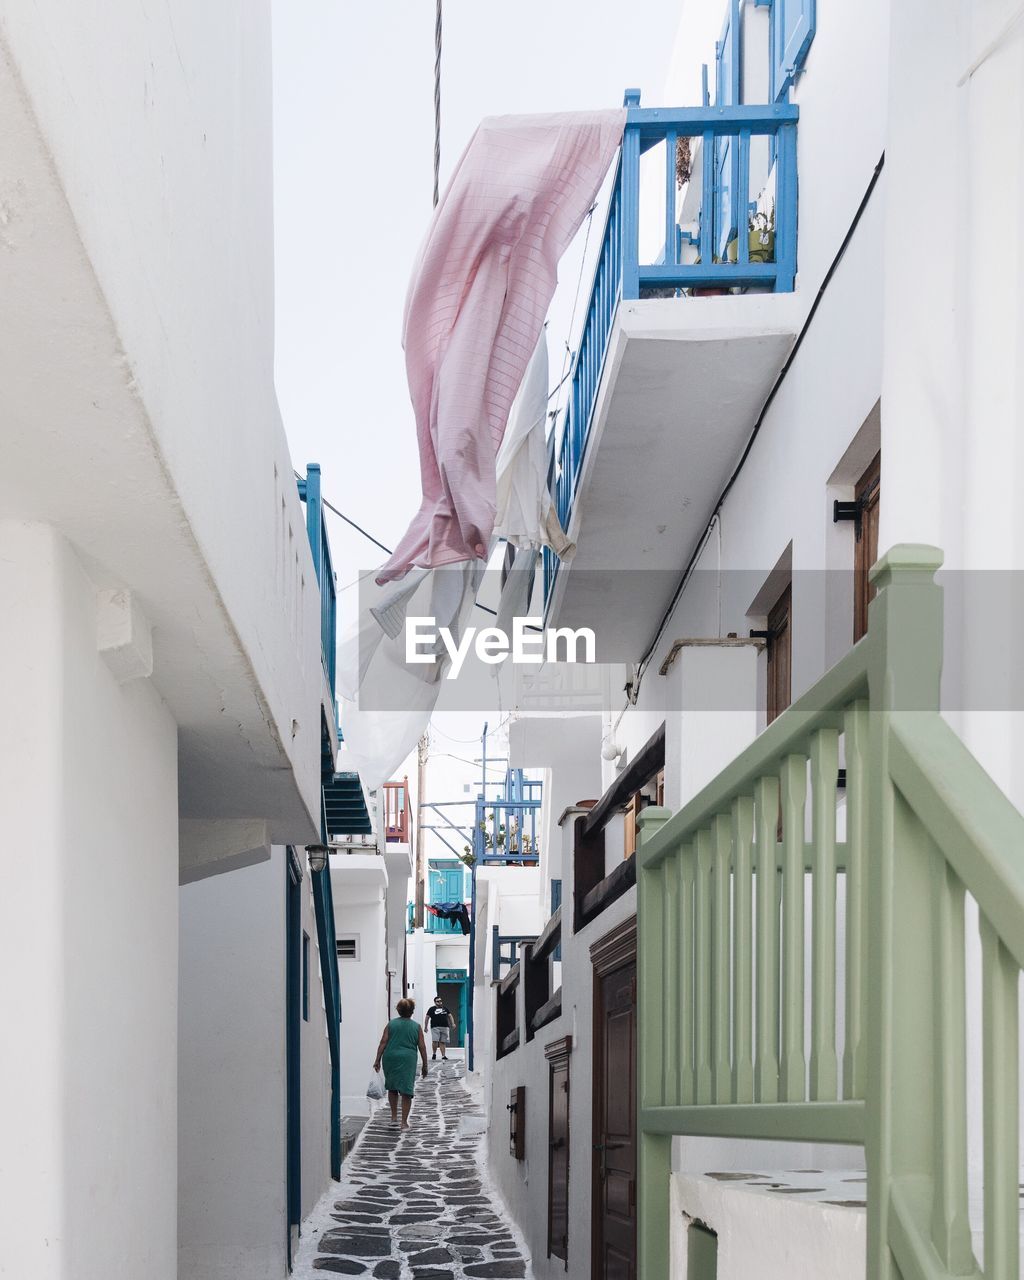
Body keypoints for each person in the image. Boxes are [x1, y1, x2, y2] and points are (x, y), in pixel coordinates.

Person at [373, 997, 428, 1130]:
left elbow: (383, 1042)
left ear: (398, 1010)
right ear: (412, 1011)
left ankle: (393, 1118)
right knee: (406, 1090)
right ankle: (404, 1122)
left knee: (392, 1088)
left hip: (390, 1057)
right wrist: (425, 1065)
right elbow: (422, 1046)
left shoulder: (391, 1024)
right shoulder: (416, 1027)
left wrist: (377, 1059)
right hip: (408, 1059)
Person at [425, 993, 456, 1061]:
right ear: (435, 1002)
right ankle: (434, 1054)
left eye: (440, 1001)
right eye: (438, 1001)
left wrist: (453, 1023)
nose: (440, 1002)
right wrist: (425, 1027)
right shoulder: (431, 1009)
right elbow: (427, 1017)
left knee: (443, 1042)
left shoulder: (445, 1008)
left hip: (445, 1027)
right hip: (435, 1027)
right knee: (435, 1041)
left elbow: (450, 1016)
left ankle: (443, 1055)